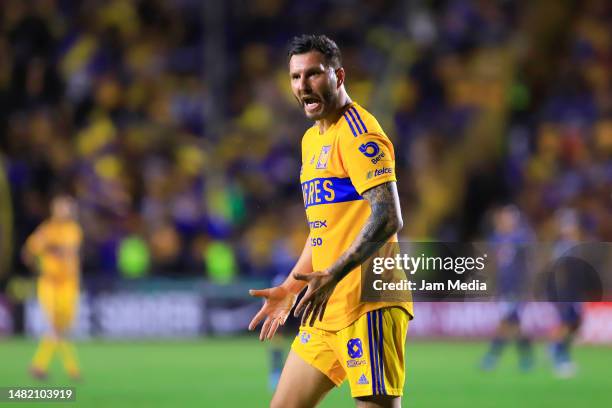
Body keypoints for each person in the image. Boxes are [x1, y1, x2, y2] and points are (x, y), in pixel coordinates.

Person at [248, 34, 413, 408]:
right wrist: (291, 288)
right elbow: (323, 231)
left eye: (313, 74)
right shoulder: (311, 140)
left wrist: (334, 273)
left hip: (369, 304)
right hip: (326, 307)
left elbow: (389, 216)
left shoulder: (359, 134)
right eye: (295, 77)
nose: (303, 85)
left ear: (339, 76)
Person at [23, 195, 83, 380]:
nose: (66, 211)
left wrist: (50, 248)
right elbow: (27, 253)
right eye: (63, 207)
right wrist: (40, 267)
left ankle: (39, 366)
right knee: (57, 327)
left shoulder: (73, 230)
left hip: (69, 284)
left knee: (62, 328)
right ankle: (72, 370)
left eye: (68, 208)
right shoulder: (46, 231)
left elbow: (69, 253)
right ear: (54, 210)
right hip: (50, 284)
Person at [480, 205, 534, 372]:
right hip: (503, 288)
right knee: (514, 324)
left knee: (507, 323)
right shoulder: (496, 238)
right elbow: (493, 266)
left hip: (516, 288)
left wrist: (527, 288)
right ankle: (526, 358)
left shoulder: (521, 239)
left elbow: (528, 265)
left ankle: (492, 357)